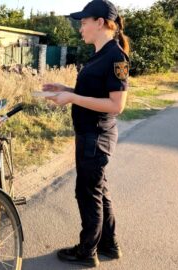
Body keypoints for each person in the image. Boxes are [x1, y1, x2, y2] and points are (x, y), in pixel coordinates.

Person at [42, 0, 130, 267]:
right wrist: (65, 88)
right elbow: (94, 93)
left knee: (87, 192)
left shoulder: (115, 56)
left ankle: (87, 251)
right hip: (91, 134)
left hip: (96, 136)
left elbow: (117, 105)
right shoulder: (100, 53)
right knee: (98, 190)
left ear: (100, 23)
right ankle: (109, 244)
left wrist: (71, 99)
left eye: (84, 22)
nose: (80, 27)